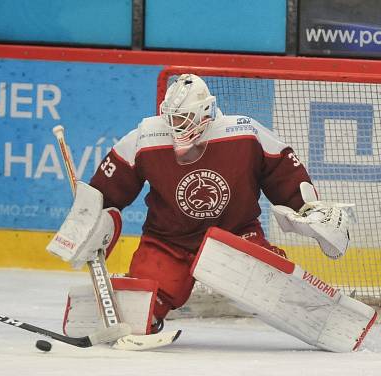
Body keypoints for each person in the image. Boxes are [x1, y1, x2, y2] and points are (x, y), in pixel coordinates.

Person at [47, 74, 356, 345]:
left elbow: (284, 171)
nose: (176, 126)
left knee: (270, 279)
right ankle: (146, 316)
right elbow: (106, 193)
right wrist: (91, 220)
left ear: (205, 111)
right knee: (142, 305)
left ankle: (320, 316)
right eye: (172, 117)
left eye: (184, 118)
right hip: (168, 240)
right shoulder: (145, 136)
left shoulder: (244, 133)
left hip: (236, 235)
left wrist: (307, 208)